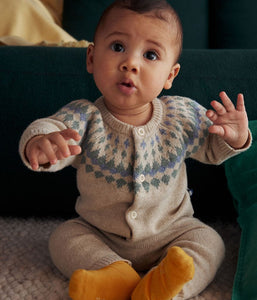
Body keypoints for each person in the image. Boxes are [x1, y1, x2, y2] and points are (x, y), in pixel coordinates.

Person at [19, 0, 251, 299]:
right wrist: (40, 143)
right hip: (100, 232)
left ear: (170, 75)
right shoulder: (84, 117)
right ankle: (115, 274)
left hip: (173, 232)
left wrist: (234, 136)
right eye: (117, 47)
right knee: (64, 238)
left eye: (151, 55)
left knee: (210, 242)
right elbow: (49, 127)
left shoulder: (180, 115)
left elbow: (212, 147)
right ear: (91, 57)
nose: (131, 63)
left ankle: (166, 289)